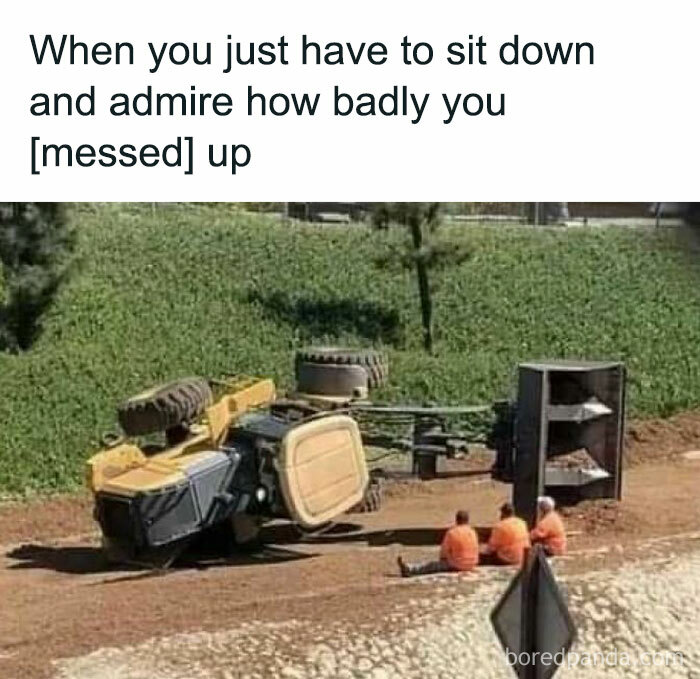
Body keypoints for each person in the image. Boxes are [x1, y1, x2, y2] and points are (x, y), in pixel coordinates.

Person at [397, 510, 478, 577]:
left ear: (456, 520)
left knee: (431, 565)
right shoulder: (472, 532)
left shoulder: (452, 532)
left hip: (457, 564)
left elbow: (444, 551)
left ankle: (410, 569)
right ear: (467, 520)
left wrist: (444, 560)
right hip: (472, 563)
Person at [482, 502, 530, 566]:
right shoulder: (522, 522)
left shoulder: (500, 526)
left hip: (508, 559)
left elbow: (491, 548)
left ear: (502, 513)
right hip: (523, 557)